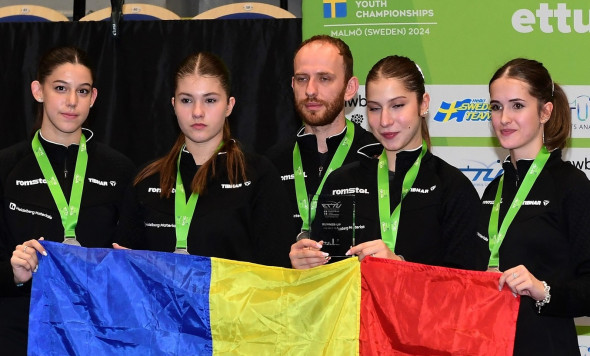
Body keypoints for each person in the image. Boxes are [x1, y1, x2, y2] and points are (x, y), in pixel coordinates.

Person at [290, 55, 488, 270]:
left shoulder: (452, 188)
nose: (385, 121)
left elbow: (468, 284)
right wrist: (307, 266)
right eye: (375, 108)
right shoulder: (339, 181)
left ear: (424, 104)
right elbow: (326, 276)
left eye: (397, 105)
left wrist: (402, 267)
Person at [0, 46, 135, 354]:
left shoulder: (119, 169)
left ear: (94, 98)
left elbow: (133, 255)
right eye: (60, 88)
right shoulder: (6, 167)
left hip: (97, 332)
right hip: (19, 330)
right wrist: (13, 273)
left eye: (82, 91)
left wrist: (128, 264)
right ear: (38, 91)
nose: (72, 102)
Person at [114, 52, 293, 268]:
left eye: (210, 100)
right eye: (187, 100)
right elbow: (126, 272)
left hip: (233, 302)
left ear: (229, 105)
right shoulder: (146, 180)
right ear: (173, 105)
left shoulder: (257, 176)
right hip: (161, 303)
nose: (197, 112)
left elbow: (275, 270)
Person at [480, 58, 590, 355]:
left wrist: (543, 290)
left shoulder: (571, 185)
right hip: (489, 344)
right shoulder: (492, 190)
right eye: (496, 106)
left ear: (545, 111)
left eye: (517, 106)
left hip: (548, 345)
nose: (504, 119)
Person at [266, 35, 377, 251]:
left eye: (324, 78)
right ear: (292, 84)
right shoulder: (270, 163)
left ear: (350, 87)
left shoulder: (376, 157)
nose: (310, 90)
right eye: (302, 79)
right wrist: (287, 261)